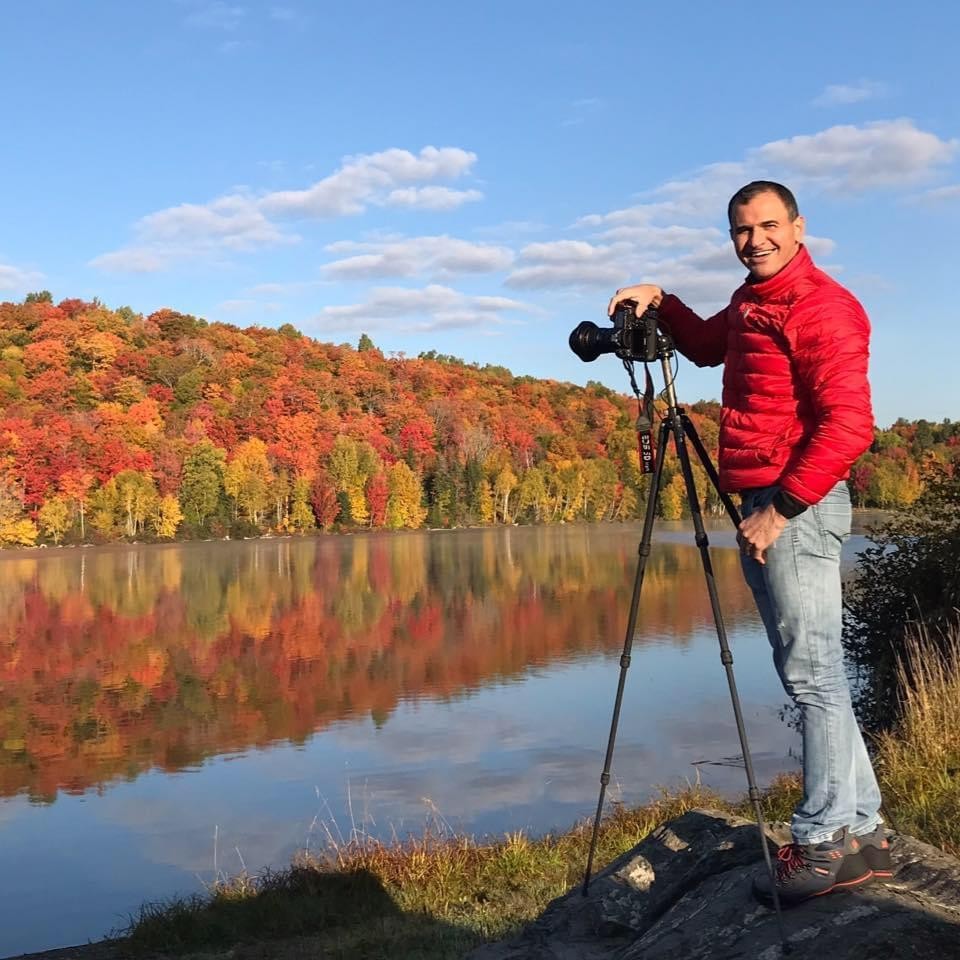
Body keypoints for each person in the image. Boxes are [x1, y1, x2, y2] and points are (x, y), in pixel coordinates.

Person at [608, 181, 891, 907]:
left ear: (798, 227)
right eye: (741, 229)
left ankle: (823, 843)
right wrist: (663, 301)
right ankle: (864, 828)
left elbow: (849, 425)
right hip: (767, 500)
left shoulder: (821, 306)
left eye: (768, 225)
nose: (754, 239)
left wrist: (781, 512)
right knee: (816, 672)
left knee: (812, 676)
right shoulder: (752, 301)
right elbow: (708, 348)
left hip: (795, 505)